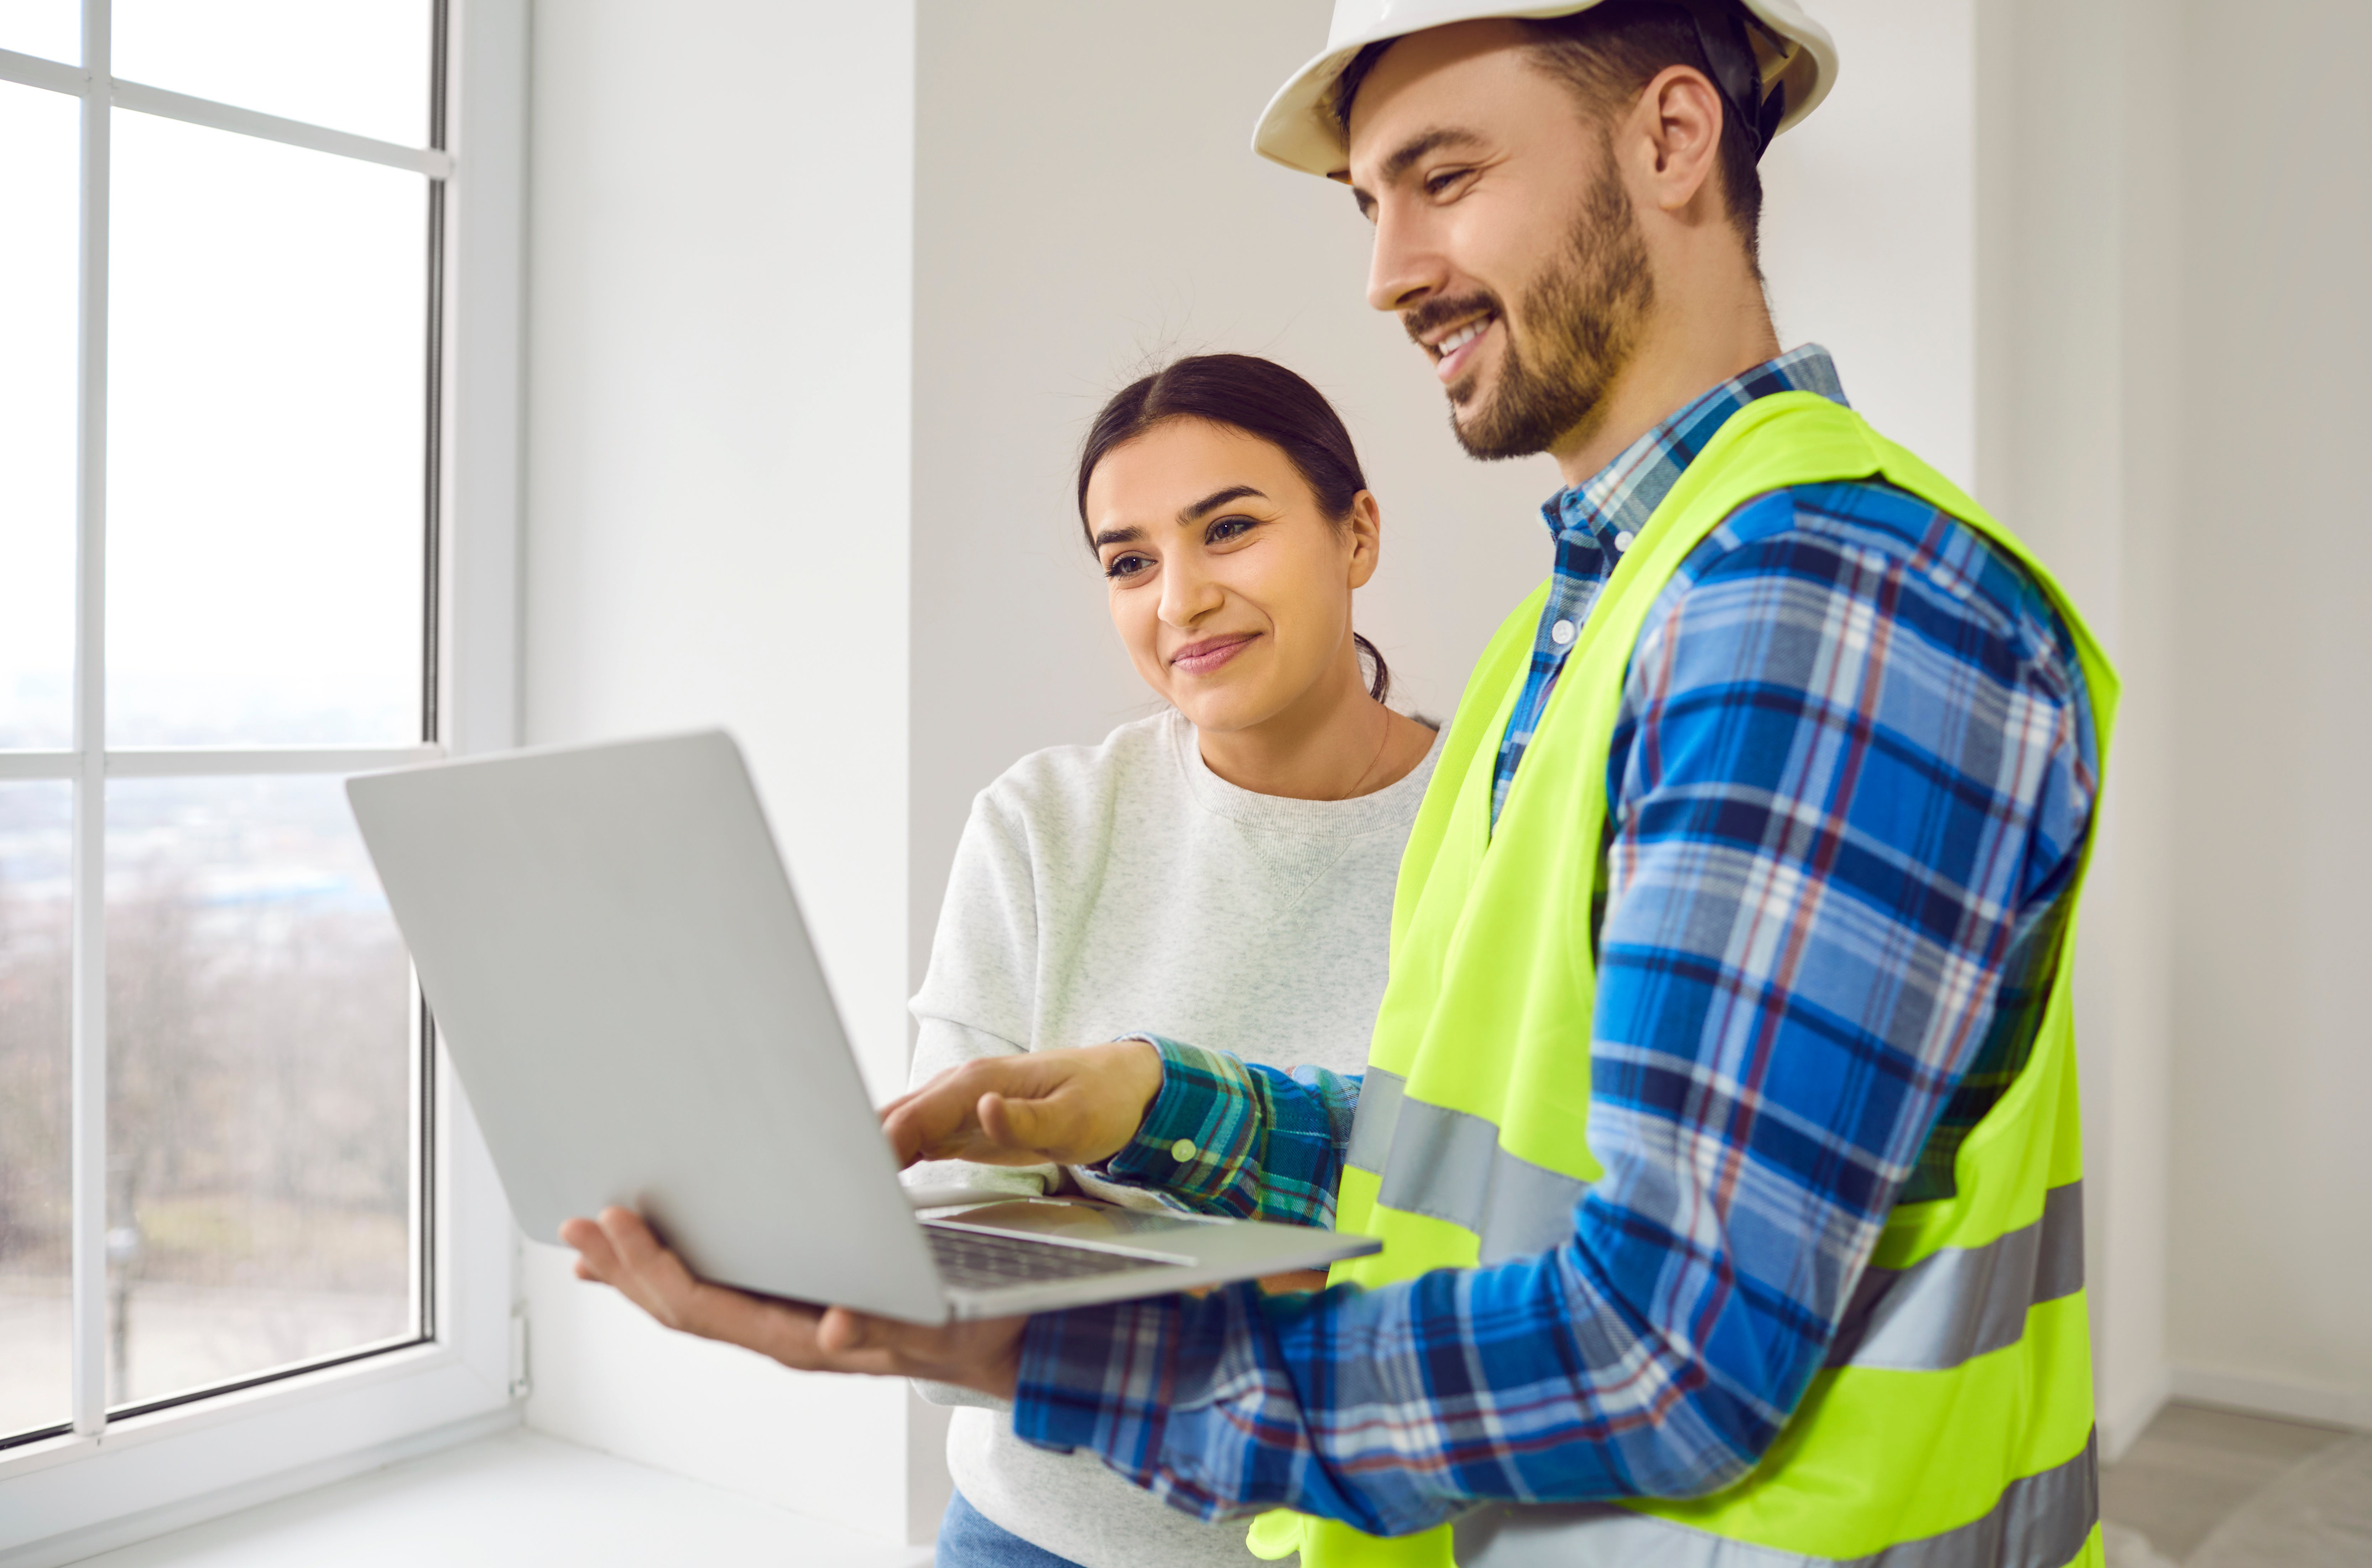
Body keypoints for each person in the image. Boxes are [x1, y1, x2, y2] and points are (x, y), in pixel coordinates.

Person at [564, 5, 2116, 1567]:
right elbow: (1502, 1154)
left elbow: (1663, 1352)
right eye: (1369, 206)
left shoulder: (1818, 606)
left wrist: (1020, 1354)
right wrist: (1165, 1102)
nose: (1385, 274)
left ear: (1670, 138)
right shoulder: (1586, 631)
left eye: (1442, 177)